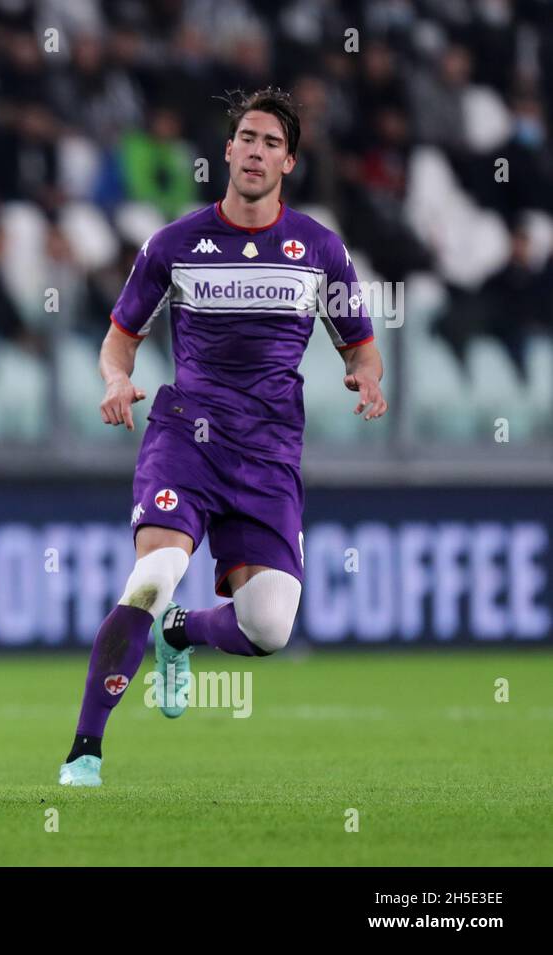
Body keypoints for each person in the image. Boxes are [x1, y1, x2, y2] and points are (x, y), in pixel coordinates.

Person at [59, 88, 386, 787]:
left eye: (272, 141)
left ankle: (181, 635)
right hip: (187, 436)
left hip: (269, 452)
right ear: (228, 151)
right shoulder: (173, 244)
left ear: (288, 160)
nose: (257, 151)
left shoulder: (319, 249)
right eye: (247, 138)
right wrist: (116, 381)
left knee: (269, 628)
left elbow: (360, 344)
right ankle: (84, 750)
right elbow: (119, 341)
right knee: (152, 577)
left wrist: (368, 377)